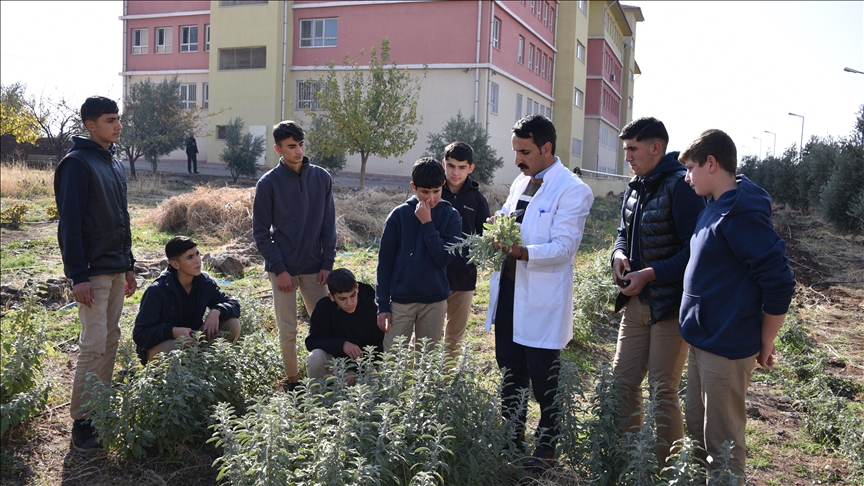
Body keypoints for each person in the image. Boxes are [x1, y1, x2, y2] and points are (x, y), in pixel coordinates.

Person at [678, 129, 795, 481]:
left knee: (723, 444)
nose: (686, 178)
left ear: (712, 164)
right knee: (699, 432)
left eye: (691, 168)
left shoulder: (740, 213)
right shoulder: (716, 203)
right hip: (704, 338)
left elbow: (779, 280)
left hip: (727, 346)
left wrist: (766, 338)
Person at [484, 114, 593, 470]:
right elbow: (506, 217)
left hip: (541, 298)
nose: (518, 159)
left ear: (547, 148)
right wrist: (493, 229)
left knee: (544, 379)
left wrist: (520, 252)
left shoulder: (573, 189)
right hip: (511, 293)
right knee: (510, 371)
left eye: (525, 151)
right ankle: (512, 440)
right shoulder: (522, 181)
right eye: (516, 151)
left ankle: (546, 448)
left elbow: (563, 247)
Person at [610, 117, 706, 467]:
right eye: (626, 150)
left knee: (663, 391)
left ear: (656, 148)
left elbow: (694, 250)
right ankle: (628, 459)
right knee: (622, 384)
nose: (628, 158)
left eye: (633, 149)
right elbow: (623, 232)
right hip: (636, 304)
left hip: (669, 308)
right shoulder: (636, 185)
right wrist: (618, 255)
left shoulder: (681, 186)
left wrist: (651, 274)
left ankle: (667, 467)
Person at [54, 96, 137, 452]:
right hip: (93, 273)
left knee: (111, 339)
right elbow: (69, 225)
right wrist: (78, 275)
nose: (117, 126)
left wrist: (129, 264)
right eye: (109, 120)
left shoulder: (113, 162)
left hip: (116, 268)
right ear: (90, 125)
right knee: (93, 344)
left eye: (118, 119)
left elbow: (122, 218)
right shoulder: (77, 164)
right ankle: (82, 420)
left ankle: (100, 404)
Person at [252, 120, 336, 391]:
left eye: (301, 144)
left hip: (315, 267)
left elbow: (328, 224)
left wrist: (327, 263)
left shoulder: (321, 177)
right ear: (278, 149)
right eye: (291, 146)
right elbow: (261, 233)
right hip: (283, 268)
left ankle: (329, 378)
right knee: (288, 329)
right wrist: (280, 269)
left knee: (326, 325)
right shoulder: (268, 184)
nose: (298, 151)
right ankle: (293, 382)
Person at [376, 157, 462, 353]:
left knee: (427, 361)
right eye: (424, 192)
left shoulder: (451, 216)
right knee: (393, 358)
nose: (431, 198)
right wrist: (382, 305)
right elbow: (385, 263)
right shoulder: (398, 215)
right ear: (413, 187)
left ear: (443, 185)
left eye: (436, 192)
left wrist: (427, 224)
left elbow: (443, 258)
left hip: (435, 300)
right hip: (401, 301)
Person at [132, 236, 241, 364]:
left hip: (193, 339)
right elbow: (140, 334)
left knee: (232, 324)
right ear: (175, 264)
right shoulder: (157, 291)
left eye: (197, 254)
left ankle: (213, 368)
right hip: (164, 347)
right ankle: (173, 381)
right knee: (173, 348)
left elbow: (234, 305)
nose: (197, 261)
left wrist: (217, 311)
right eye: (190, 257)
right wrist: (172, 332)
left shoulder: (204, 282)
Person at [439, 141, 490, 360]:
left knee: (454, 340)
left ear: (471, 168)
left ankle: (446, 386)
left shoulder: (477, 199)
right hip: (433, 277)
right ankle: (414, 388)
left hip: (464, 279)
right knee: (423, 340)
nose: (455, 172)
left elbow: (485, 236)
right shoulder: (433, 191)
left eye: (461, 167)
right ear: (443, 164)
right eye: (451, 166)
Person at [305, 268, 384, 385]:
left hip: (365, 367)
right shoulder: (324, 307)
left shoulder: (371, 307)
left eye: (353, 295)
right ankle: (318, 402)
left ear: (357, 288)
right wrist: (342, 345)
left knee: (373, 379)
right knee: (315, 357)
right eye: (342, 299)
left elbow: (378, 349)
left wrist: (355, 371)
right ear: (331, 297)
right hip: (336, 366)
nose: (350, 303)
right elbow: (312, 341)